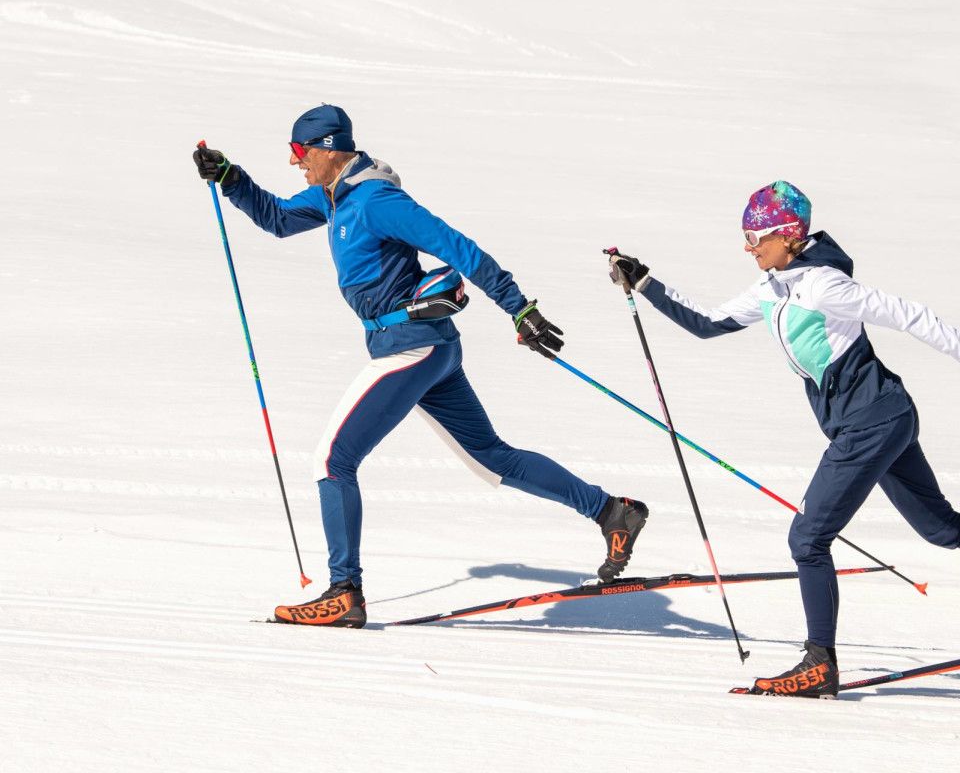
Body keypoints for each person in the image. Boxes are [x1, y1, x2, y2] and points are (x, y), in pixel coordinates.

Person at [607, 180, 960, 698]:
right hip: (879, 421)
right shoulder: (773, 286)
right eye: (746, 238)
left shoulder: (823, 285)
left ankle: (819, 663)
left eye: (755, 238)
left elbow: (912, 315)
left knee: (807, 539)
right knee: (941, 528)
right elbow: (707, 324)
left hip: (871, 425)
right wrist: (644, 282)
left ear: (787, 236)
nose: (748, 248)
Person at [192, 104, 649, 628]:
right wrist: (231, 178)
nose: (296, 163)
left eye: (299, 152)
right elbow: (276, 219)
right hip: (424, 348)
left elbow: (457, 247)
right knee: (492, 457)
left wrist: (519, 308)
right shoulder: (335, 197)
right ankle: (611, 511)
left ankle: (345, 592)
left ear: (328, 147)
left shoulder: (376, 200)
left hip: (411, 348)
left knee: (331, 461)